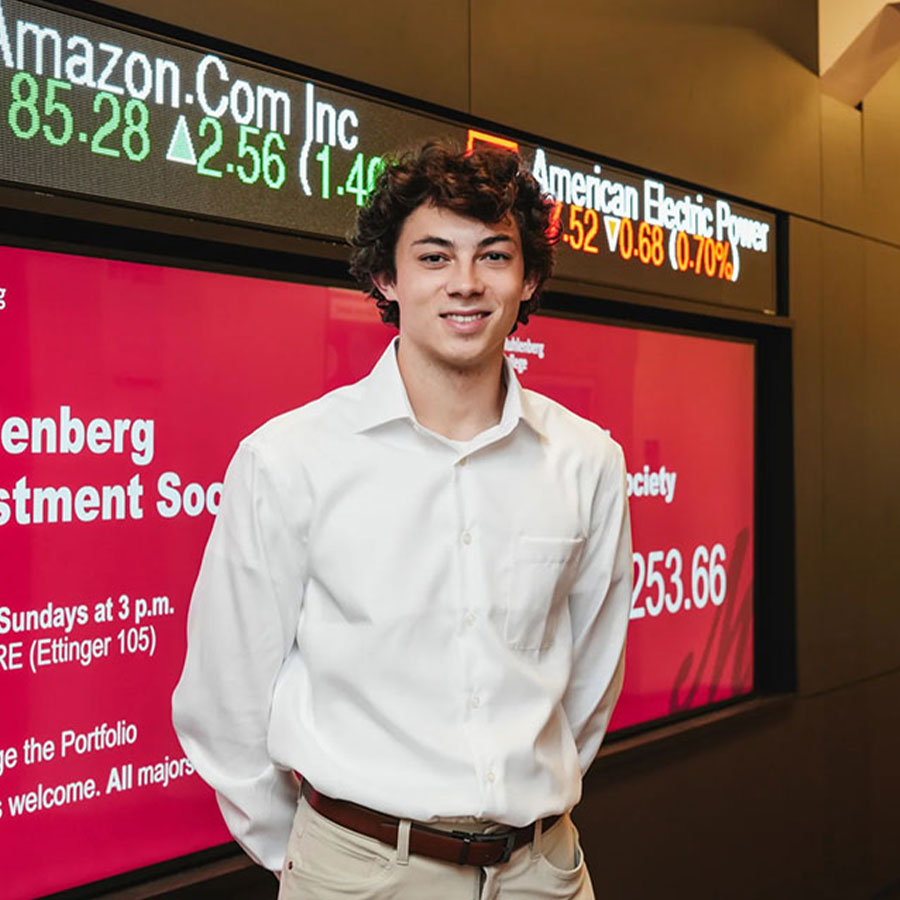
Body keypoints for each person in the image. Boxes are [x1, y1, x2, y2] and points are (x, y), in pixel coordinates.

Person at [172, 142, 632, 900]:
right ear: (387, 277)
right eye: (433, 256)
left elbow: (588, 684)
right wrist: (313, 862)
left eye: (494, 255)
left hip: (543, 873)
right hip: (359, 874)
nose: (466, 284)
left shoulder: (587, 461)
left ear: (529, 279)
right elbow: (224, 700)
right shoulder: (291, 458)